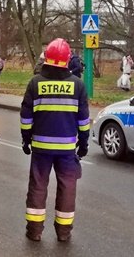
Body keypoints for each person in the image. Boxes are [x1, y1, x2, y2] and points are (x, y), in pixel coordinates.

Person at [20, 38, 90, 242]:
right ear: (67, 60)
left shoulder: (35, 83)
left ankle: (34, 231)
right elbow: (84, 120)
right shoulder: (78, 85)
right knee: (67, 187)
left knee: (38, 187)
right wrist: (83, 143)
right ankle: (63, 233)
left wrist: (26, 139)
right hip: (67, 149)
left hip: (40, 148)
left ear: (47, 59)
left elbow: (26, 117)